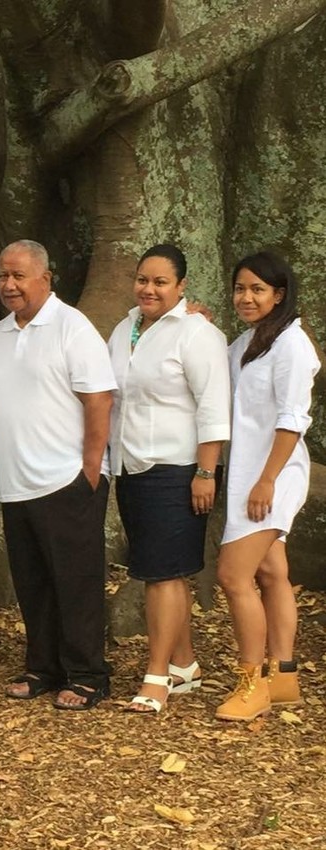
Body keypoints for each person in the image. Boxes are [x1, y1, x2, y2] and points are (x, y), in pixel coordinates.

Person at [0, 240, 116, 710]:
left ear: (45, 278)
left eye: (19, 275)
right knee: (33, 582)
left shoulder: (72, 328)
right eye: (3, 275)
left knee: (76, 581)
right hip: (17, 483)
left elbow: (99, 399)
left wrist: (90, 469)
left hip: (66, 480)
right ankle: (43, 666)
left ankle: (87, 674)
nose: (9, 284)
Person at [108, 244, 230, 714]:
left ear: (181, 287)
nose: (149, 289)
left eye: (161, 282)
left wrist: (205, 471)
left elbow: (214, 407)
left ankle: (156, 677)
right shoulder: (125, 328)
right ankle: (184, 664)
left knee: (163, 575)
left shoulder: (198, 334)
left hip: (179, 469)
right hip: (132, 465)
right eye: (143, 279)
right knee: (160, 571)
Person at [216, 251, 320, 721]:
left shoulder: (292, 345)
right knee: (272, 573)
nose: (246, 297)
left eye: (258, 289)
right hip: (247, 474)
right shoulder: (247, 342)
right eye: (240, 288)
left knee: (233, 576)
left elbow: (292, 419)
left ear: (279, 295)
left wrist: (266, 481)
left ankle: (251, 682)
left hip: (272, 476)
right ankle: (284, 678)